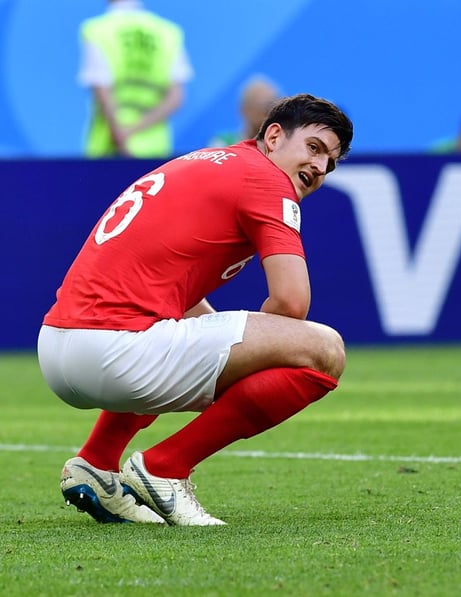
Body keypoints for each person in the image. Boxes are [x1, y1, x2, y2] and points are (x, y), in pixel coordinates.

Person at [39, 93, 354, 526]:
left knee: (191, 338)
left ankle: (96, 463)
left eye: (330, 163)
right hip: (113, 353)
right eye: (315, 148)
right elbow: (291, 303)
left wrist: (234, 353)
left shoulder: (212, 160)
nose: (320, 168)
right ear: (275, 136)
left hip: (58, 346)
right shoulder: (266, 179)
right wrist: (252, 368)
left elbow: (176, 299)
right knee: (325, 351)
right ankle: (165, 467)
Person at [78, 0, 193, 158]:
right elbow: (176, 98)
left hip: (109, 148)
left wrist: (121, 136)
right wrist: (133, 131)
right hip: (154, 149)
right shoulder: (168, 33)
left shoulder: (98, 30)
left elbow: (102, 91)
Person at [209, 76, 281, 147]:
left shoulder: (280, 145)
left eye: (271, 105)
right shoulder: (223, 144)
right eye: (261, 105)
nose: (267, 114)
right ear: (244, 109)